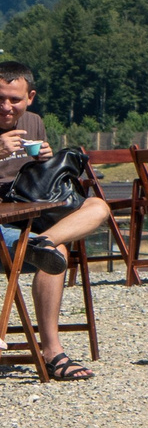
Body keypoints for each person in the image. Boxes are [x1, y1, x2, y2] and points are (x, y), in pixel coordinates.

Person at [0, 62, 112, 382]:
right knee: (57, 255)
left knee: (97, 207)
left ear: (30, 97)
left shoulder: (34, 123)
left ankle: (42, 242)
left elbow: (37, 180)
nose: (6, 106)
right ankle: (53, 353)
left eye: (14, 99)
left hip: (31, 217)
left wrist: (44, 160)